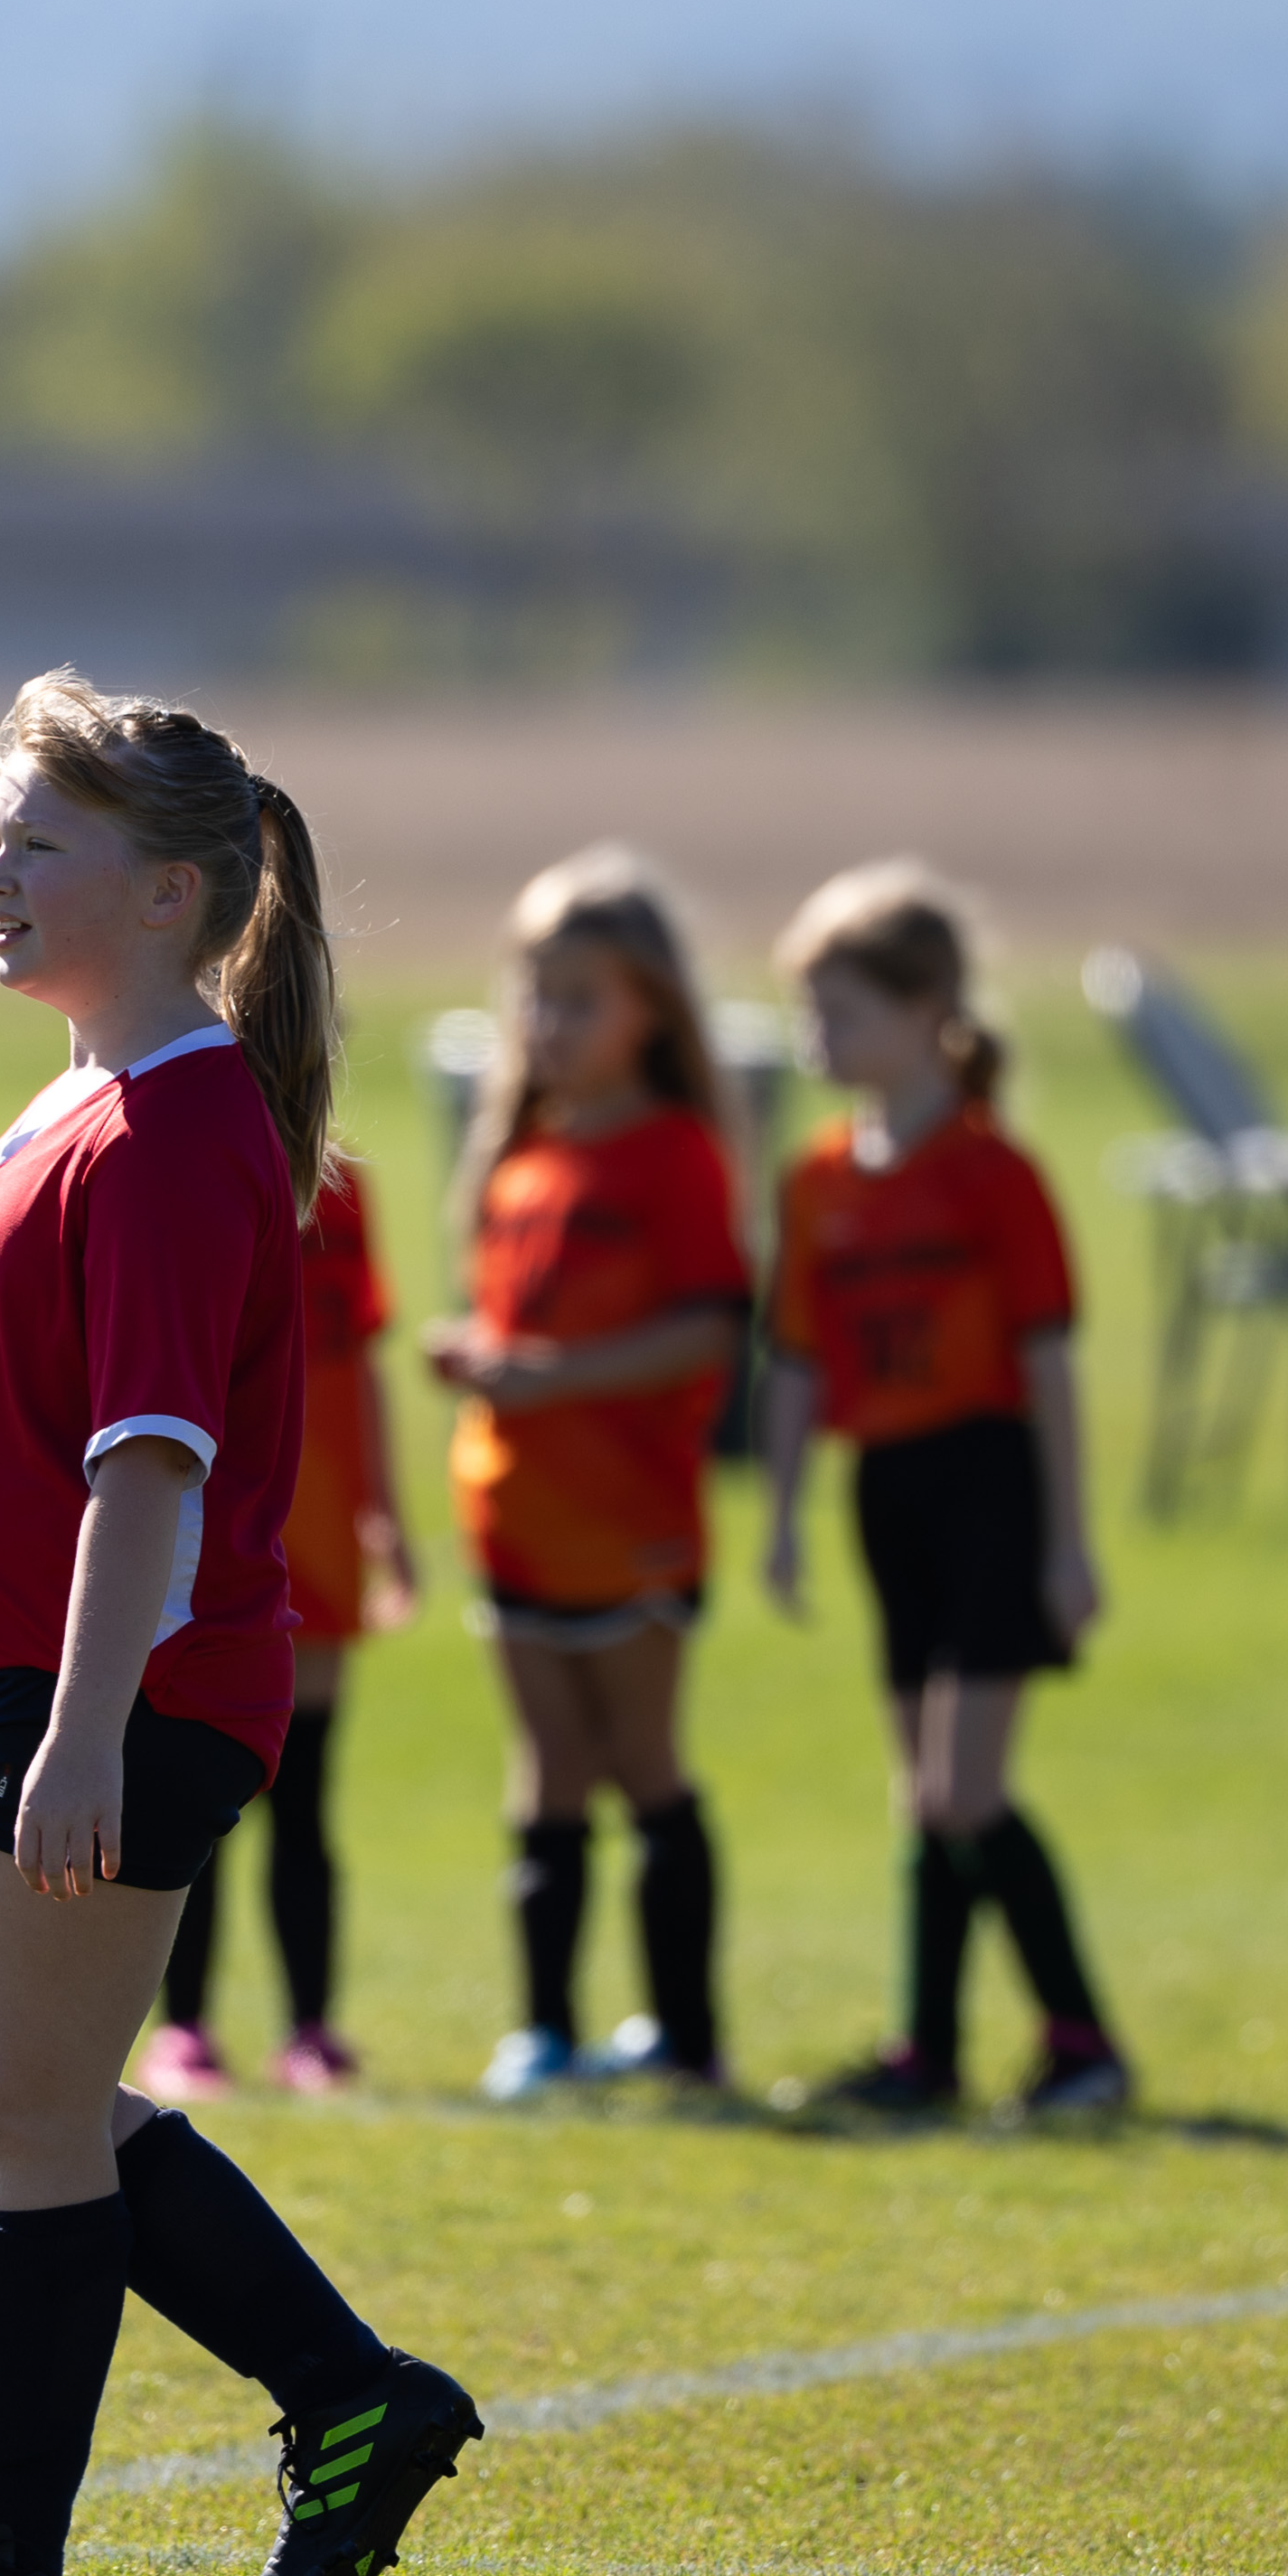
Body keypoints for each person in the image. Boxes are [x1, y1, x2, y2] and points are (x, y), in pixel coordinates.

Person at [0, 667, 478, 2576]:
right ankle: (354, 2395)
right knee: (1, 2096)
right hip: (17, 1676)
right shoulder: (72, 1103)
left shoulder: (183, 1130)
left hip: (117, 1690)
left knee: (32, 2119)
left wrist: (89, 1724)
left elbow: (150, 1474)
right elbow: (13, 1433)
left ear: (172, 891)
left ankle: (3, 2557)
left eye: (38, 841)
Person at [756, 863, 1128, 2120]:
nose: (818, 1035)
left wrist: (1068, 1542)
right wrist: (785, 1514)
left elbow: (1049, 1359)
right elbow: (797, 1360)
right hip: (889, 1489)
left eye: (842, 1010)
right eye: (809, 1010)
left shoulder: (990, 1172)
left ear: (928, 1012)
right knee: (923, 1793)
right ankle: (927, 2053)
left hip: (988, 1483)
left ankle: (1082, 2043)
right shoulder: (816, 1178)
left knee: (964, 1790)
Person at [426, 849, 753, 2103]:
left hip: (632, 1525)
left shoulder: (675, 1154)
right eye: (535, 994)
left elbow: (707, 1330)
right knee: (548, 1770)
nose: (548, 1021)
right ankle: (548, 2034)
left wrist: (549, 1375)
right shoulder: (521, 1156)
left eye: (579, 997)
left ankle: (686, 2036)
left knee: (643, 1764)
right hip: (513, 1515)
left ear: (649, 1011)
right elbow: (521, 1327)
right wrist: (480, 1360)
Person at [142, 1145, 414, 2100]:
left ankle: (309, 2027)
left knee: (304, 1793)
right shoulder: (187, 1163)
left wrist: (386, 1517)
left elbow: (360, 1358)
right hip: (209, 1528)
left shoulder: (341, 1188)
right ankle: (184, 2026)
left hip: (321, 1527)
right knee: (197, 1789)